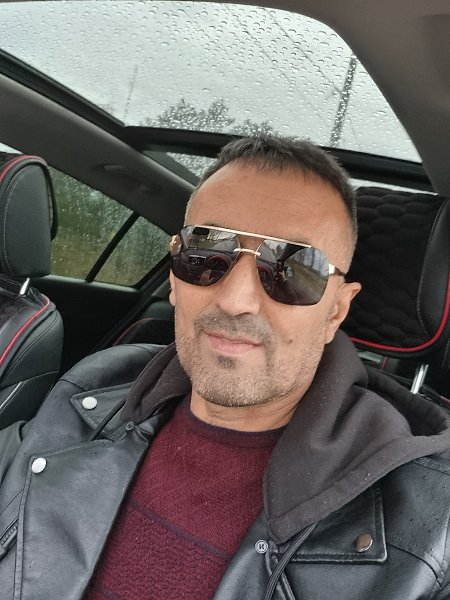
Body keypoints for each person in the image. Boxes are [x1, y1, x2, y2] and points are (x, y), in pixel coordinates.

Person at [1, 136, 450, 600]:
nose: (236, 301)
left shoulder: (431, 519)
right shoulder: (94, 388)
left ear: (336, 309)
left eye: (292, 269)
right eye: (206, 253)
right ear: (174, 276)